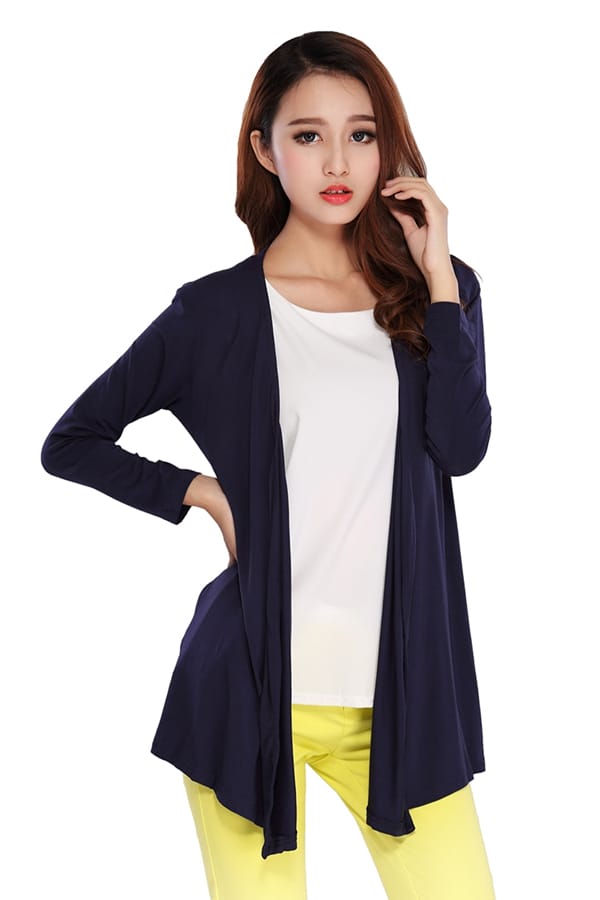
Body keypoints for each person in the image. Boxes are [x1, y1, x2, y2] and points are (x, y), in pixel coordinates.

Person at [40, 30, 496, 900]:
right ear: (263, 149)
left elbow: (462, 448)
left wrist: (438, 275)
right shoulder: (214, 312)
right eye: (308, 135)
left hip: (402, 703)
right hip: (249, 694)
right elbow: (72, 440)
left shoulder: (437, 293)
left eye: (362, 134)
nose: (339, 161)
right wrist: (201, 493)